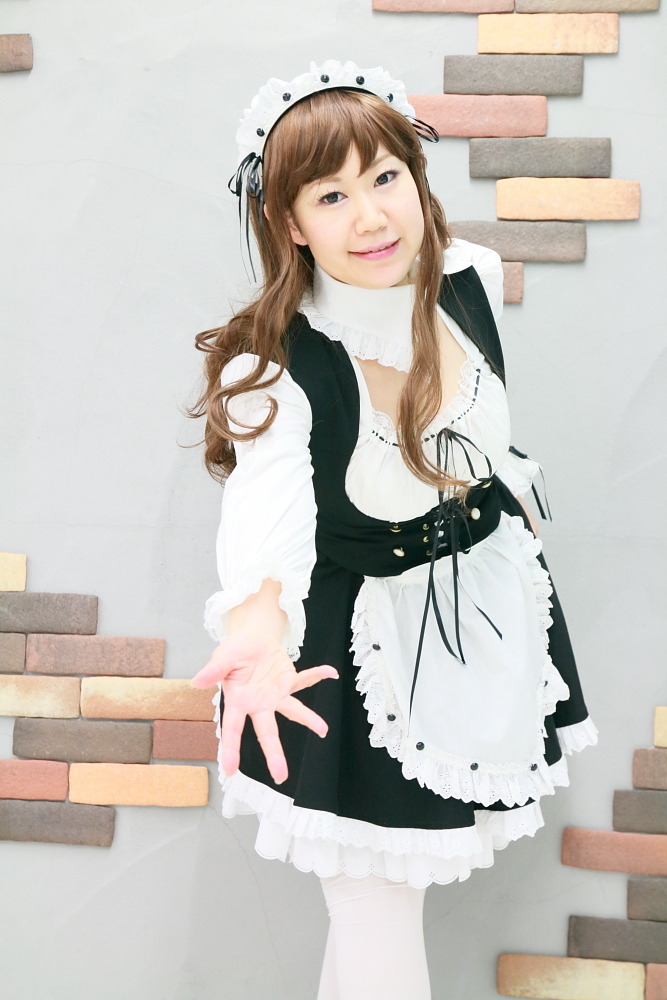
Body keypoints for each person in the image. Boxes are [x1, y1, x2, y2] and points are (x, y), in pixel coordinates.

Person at [189, 60, 597, 1000]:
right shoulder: (272, 367)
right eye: (331, 196)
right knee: (374, 915)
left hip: (483, 619)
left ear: (416, 177)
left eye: (384, 177)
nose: (371, 216)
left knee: (374, 918)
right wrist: (255, 629)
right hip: (355, 659)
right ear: (290, 224)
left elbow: (478, 438)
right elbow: (266, 526)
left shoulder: (469, 278)